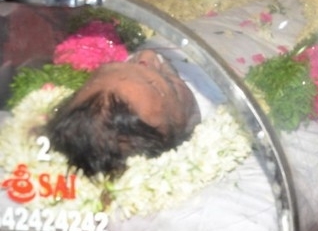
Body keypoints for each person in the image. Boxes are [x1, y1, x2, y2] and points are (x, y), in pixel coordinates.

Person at [44, 49, 201, 179]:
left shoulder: (130, 80)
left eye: (128, 62)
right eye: (169, 82)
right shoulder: (217, 102)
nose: (148, 54)